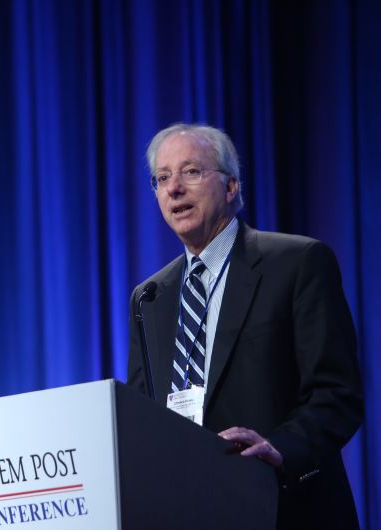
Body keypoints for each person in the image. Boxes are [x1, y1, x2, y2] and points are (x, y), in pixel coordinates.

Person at [127, 123, 363, 529]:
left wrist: (279, 448)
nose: (174, 188)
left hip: (285, 509)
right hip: (190, 513)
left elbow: (337, 393)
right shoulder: (150, 298)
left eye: (191, 172)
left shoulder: (297, 263)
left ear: (232, 186)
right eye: (162, 178)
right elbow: (142, 416)